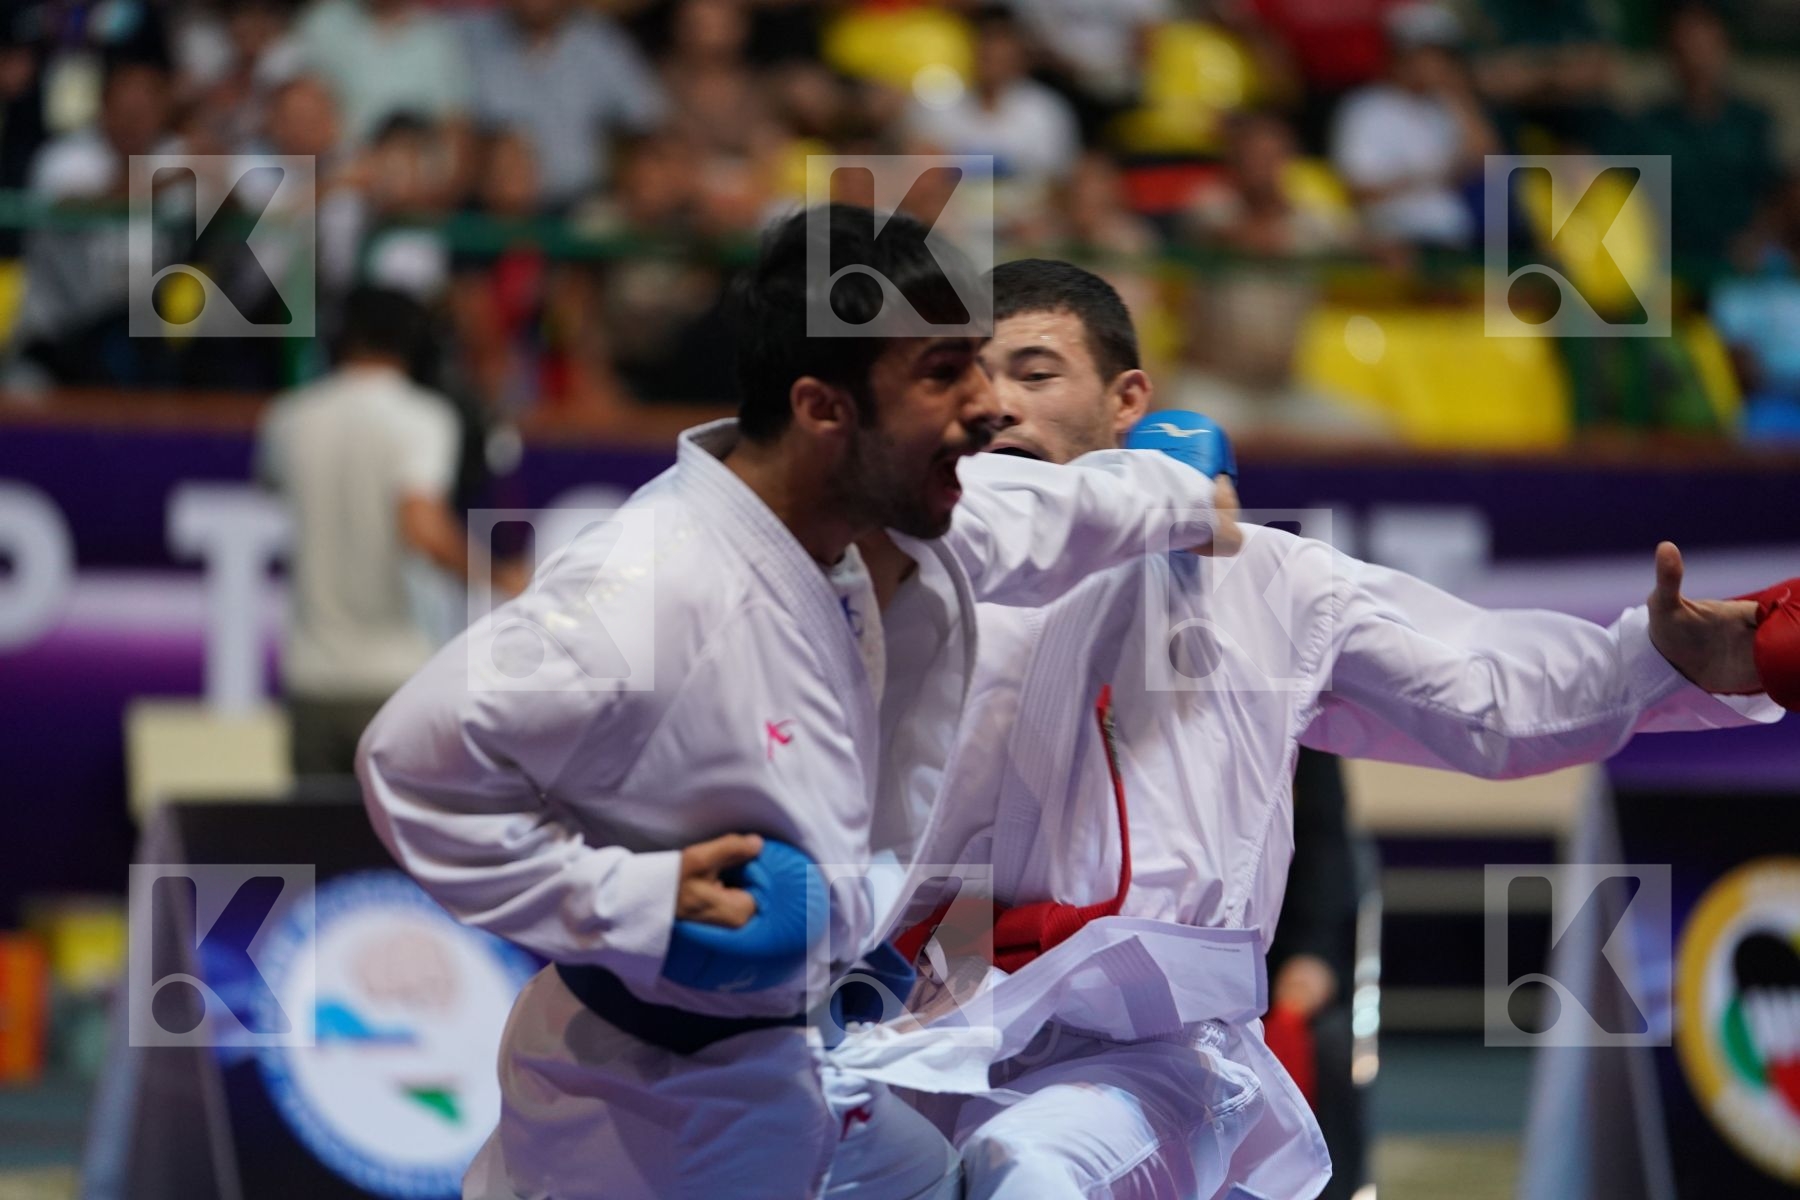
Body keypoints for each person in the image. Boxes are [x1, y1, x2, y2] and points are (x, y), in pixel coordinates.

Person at [838, 258, 1786, 1199]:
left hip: (1145, 1059)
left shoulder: (1273, 583)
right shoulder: (913, 570)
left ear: (1128, 398)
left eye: (1036, 372)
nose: (997, 402)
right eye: (970, 377)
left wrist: (1668, 663)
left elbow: (1492, 696)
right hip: (915, 1028)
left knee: (1032, 1172)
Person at [356, 205, 1238, 1200]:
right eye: (945, 374)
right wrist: (631, 900)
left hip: (809, 1062)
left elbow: (1055, 511)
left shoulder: (907, 515)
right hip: (646, 1109)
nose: (989, 407)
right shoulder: (650, 589)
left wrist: (1181, 490)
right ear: (825, 410)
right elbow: (410, 763)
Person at [257, 286, 479, 778]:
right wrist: (493, 574)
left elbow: (272, 487)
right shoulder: (423, 418)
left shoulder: (288, 418)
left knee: (317, 845)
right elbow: (421, 525)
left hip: (310, 677)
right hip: (394, 677)